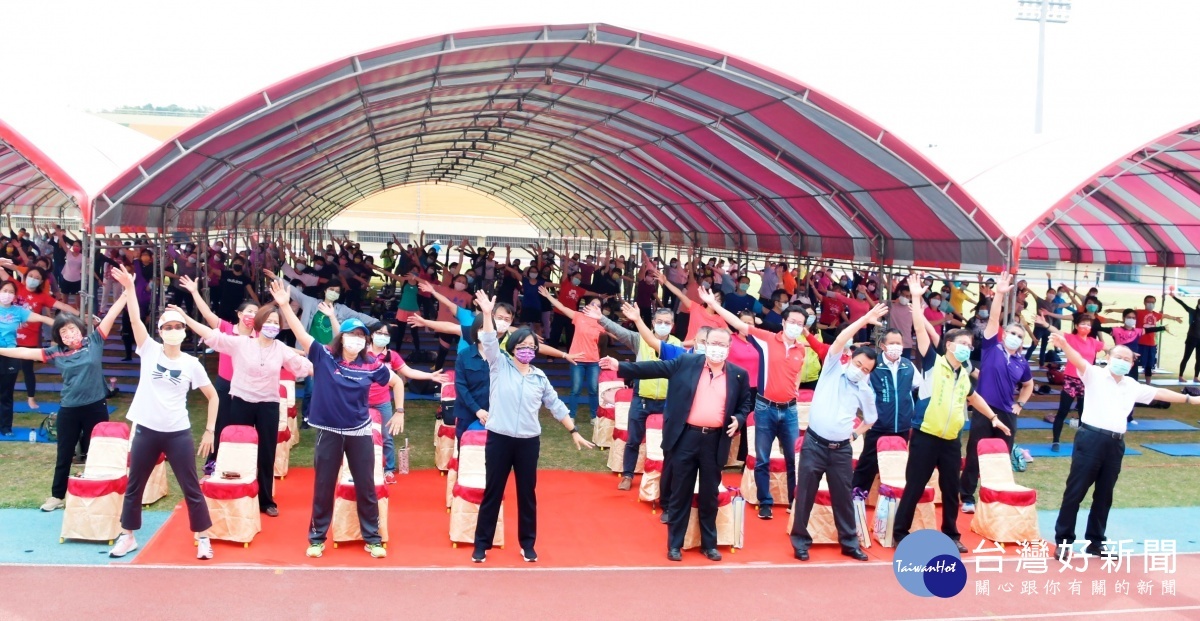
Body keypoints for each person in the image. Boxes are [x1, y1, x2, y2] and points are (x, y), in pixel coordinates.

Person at [268, 281, 405, 560]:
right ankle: (317, 538)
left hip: (359, 433)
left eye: (361, 337)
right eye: (350, 335)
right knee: (323, 486)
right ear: (341, 337)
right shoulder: (324, 355)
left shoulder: (371, 365)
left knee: (366, 485)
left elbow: (397, 381)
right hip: (328, 432)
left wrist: (399, 410)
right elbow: (299, 331)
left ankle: (373, 538)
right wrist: (284, 304)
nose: (355, 340)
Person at [603, 326, 751, 563]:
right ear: (705, 343)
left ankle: (709, 544)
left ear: (729, 348)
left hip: (715, 441)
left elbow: (745, 404)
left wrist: (740, 419)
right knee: (680, 492)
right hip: (685, 438)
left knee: (709, 495)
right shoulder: (686, 363)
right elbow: (654, 368)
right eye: (713, 343)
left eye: (723, 345)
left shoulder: (738, 375)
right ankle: (675, 545)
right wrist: (620, 366)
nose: (717, 349)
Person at [471, 291, 594, 564]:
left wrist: (574, 431)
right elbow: (490, 341)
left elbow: (556, 405)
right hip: (499, 439)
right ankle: (482, 544)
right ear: (512, 347)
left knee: (527, 494)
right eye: (522, 345)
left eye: (531, 346)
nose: (527, 349)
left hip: (528, 442)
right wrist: (489, 314)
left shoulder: (540, 377)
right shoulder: (498, 364)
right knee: (493, 491)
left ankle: (527, 544)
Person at [1049, 332, 1195, 560]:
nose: (1122, 362)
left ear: (1132, 363)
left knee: (1104, 495)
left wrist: (1190, 399)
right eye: (1119, 356)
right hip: (1090, 439)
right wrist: (1065, 344)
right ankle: (1064, 541)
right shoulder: (1094, 374)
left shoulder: (1132, 385)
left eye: (1127, 359)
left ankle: (1096, 542)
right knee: (1075, 492)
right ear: (1108, 357)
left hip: (1115, 444)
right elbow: (1077, 359)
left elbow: (1159, 392)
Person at [106, 268, 218, 560]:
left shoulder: (192, 363)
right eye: (167, 327)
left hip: (177, 433)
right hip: (146, 430)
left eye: (177, 327)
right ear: (159, 331)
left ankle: (203, 538)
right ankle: (127, 535)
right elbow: (132, 318)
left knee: (191, 487)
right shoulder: (150, 350)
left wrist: (209, 430)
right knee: (135, 485)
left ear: (184, 331)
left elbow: (213, 396)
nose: (172, 331)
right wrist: (130, 288)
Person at [891, 278, 1010, 551]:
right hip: (925, 436)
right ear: (949, 345)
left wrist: (993, 417)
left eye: (970, 344)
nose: (968, 347)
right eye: (963, 343)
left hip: (951, 440)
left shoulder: (964, 373)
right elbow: (919, 328)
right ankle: (900, 533)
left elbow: (973, 397)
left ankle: (951, 535)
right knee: (915, 486)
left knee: (951, 490)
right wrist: (919, 298)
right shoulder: (933, 363)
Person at [174, 297, 313, 518]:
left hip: (268, 405)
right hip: (240, 402)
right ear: (258, 323)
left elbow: (305, 367)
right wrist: (186, 318)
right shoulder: (240, 342)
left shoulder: (281, 349)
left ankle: (265, 500)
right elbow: (211, 335)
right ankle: (237, 493)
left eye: (277, 323)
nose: (273, 326)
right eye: (269, 321)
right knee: (239, 448)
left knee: (266, 452)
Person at [0, 288, 122, 510]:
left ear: (80, 329)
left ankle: (98, 492)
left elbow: (111, 315)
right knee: (64, 452)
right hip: (69, 408)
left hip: (96, 406)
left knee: (97, 450)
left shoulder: (94, 342)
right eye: (64, 333)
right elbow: (25, 353)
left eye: (72, 330)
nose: (69, 335)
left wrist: (126, 292)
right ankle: (57, 496)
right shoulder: (56, 352)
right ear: (59, 336)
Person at [696, 286, 807, 520]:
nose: (796, 325)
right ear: (784, 322)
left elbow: (797, 373)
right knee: (762, 458)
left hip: (790, 410)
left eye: (801, 322)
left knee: (792, 459)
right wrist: (713, 305)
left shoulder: (801, 349)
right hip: (765, 408)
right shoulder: (766, 339)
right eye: (793, 321)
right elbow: (738, 324)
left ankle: (795, 501)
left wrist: (794, 390)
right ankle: (765, 501)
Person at [789, 304, 887, 562]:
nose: (860, 370)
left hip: (841, 449)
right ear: (851, 357)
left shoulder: (864, 389)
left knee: (843, 496)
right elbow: (841, 338)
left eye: (866, 370)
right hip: (814, 443)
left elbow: (872, 418)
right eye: (858, 364)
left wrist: (856, 434)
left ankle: (849, 541)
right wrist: (864, 319)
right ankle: (800, 540)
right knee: (806, 493)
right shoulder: (834, 367)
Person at [959, 273, 1033, 513]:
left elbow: (1028, 385)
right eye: (1012, 333)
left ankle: (996, 495)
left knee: (1001, 455)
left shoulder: (1022, 361)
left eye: (1019, 336)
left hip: (1007, 413)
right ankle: (967, 496)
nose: (1015, 338)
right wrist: (999, 294)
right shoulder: (993, 347)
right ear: (1004, 334)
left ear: (1023, 342)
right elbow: (992, 319)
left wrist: (1019, 404)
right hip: (984, 409)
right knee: (975, 453)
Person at [587, 301, 679, 491]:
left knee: (669, 441)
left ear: (673, 325)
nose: (663, 325)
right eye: (660, 321)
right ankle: (628, 475)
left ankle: (664, 476)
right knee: (633, 439)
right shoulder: (640, 340)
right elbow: (621, 332)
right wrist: (601, 319)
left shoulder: (677, 345)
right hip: (642, 398)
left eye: (667, 322)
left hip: (668, 402)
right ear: (652, 322)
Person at [851, 278, 926, 498]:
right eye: (891, 343)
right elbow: (860, 390)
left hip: (902, 425)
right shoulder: (874, 365)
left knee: (899, 465)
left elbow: (918, 390)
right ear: (883, 345)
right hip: (878, 425)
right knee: (868, 463)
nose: (895, 347)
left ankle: (895, 497)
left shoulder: (908, 365)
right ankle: (856, 495)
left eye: (899, 343)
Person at [179, 275, 258, 471]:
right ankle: (213, 461)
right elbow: (207, 314)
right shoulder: (226, 329)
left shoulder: (260, 336)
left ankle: (242, 461)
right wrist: (195, 292)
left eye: (256, 313)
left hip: (247, 387)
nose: (252, 316)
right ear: (239, 314)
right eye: (249, 311)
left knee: (243, 425)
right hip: (224, 384)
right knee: (221, 423)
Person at [365, 321, 447, 484]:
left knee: (387, 437)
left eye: (386, 335)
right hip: (361, 403)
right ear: (372, 335)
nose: (382, 337)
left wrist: (430, 376)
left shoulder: (391, 356)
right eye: (379, 333)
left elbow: (408, 372)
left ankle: (388, 470)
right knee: (362, 437)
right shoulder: (361, 353)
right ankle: (364, 468)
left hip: (383, 402)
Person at [1041, 314, 1106, 452]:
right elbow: (1056, 331)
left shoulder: (1093, 342)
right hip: (1071, 380)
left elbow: (1109, 349)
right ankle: (1056, 441)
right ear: (1076, 326)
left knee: (1084, 413)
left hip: (1086, 381)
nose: (1086, 327)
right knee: (1063, 411)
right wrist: (1045, 324)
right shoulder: (1070, 338)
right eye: (1083, 324)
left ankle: (1082, 442)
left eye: (1088, 324)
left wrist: (1128, 354)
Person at [538, 287, 603, 421]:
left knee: (593, 390)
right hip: (576, 359)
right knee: (575, 389)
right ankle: (571, 415)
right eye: (593, 304)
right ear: (587, 305)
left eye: (598, 306)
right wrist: (548, 296)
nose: (595, 307)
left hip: (593, 361)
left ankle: (594, 416)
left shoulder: (601, 323)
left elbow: (616, 332)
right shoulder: (578, 317)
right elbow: (561, 307)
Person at [1171, 294, 1200, 382]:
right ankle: (1180, 376)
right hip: (1191, 338)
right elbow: (1182, 303)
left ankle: (1196, 377)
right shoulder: (1193, 312)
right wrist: (1174, 297)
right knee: (1186, 357)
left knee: (1199, 359)